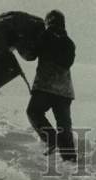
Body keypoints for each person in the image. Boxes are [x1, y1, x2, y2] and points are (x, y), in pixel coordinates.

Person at [26, 10, 77, 162]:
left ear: (48, 22)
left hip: (45, 87)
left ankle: (52, 140)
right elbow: (67, 62)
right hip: (64, 91)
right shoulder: (69, 42)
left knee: (33, 112)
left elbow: (30, 55)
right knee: (64, 125)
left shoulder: (44, 37)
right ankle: (69, 158)